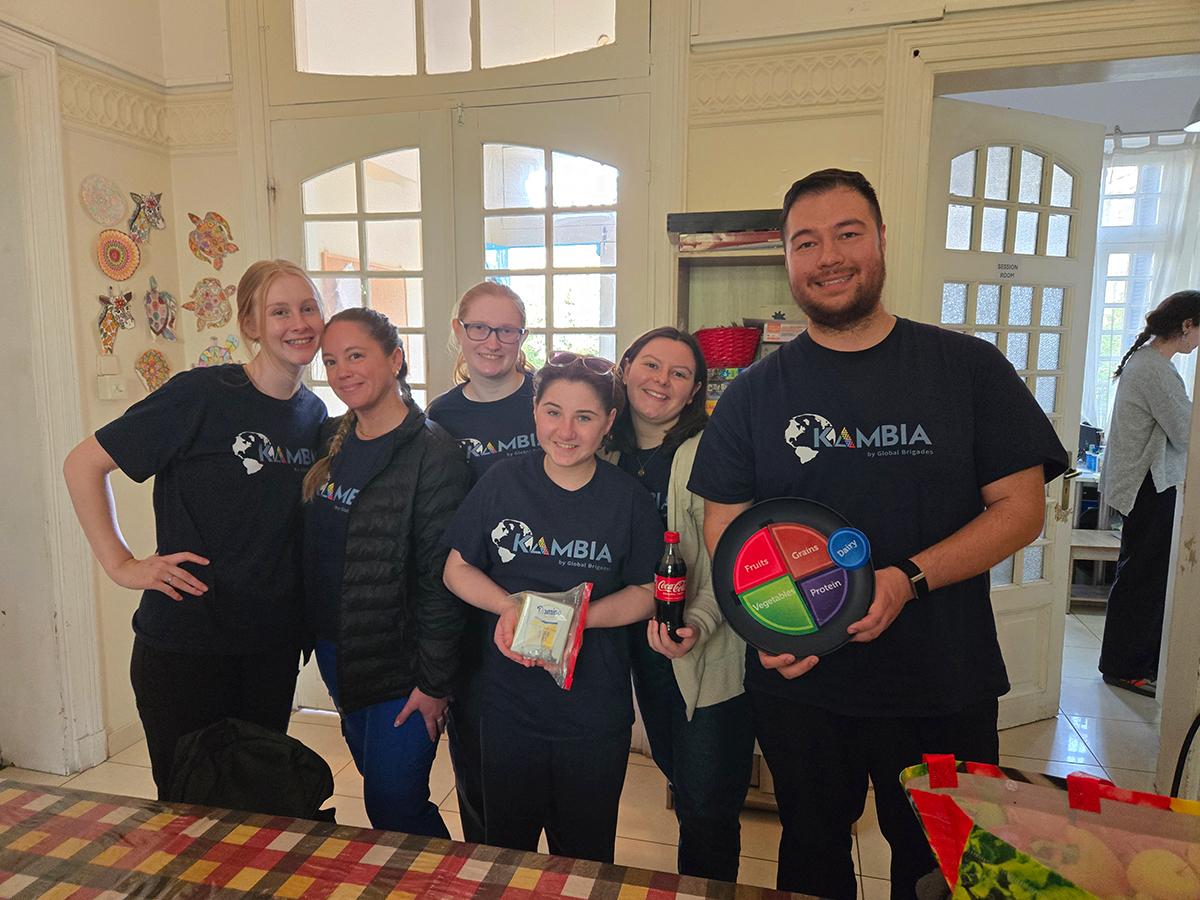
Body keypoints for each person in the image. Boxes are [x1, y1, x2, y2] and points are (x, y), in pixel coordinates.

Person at [688, 169, 1068, 900]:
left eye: (847, 233)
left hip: (941, 679)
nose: (828, 255)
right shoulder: (755, 394)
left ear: (882, 241)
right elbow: (725, 523)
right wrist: (770, 623)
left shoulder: (966, 368)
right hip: (805, 686)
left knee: (937, 869)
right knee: (811, 852)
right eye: (806, 242)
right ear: (788, 261)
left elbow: (1020, 509)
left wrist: (908, 578)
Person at [63, 259, 327, 796]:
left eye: (308, 308)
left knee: (259, 805)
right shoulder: (202, 395)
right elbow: (82, 464)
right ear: (251, 325)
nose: (297, 322)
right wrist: (121, 563)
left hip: (269, 651)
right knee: (191, 819)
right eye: (279, 311)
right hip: (186, 647)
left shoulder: (313, 413)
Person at [442, 353, 662, 863]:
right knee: (505, 853)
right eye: (552, 412)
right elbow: (456, 568)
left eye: (584, 417)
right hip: (507, 708)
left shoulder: (627, 499)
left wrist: (575, 620)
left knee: (583, 857)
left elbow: (649, 591)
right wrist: (509, 607)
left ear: (608, 423)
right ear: (535, 412)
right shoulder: (501, 482)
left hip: (593, 713)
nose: (566, 431)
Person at [302, 307, 471, 836]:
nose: (343, 371)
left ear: (395, 359)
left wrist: (435, 682)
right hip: (338, 652)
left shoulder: (434, 453)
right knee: (380, 790)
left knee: (394, 803)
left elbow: (441, 579)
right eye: (331, 361)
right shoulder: (329, 438)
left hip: (403, 665)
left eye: (357, 355)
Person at [606, 327, 753, 882]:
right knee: (677, 773)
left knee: (707, 806)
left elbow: (732, 561)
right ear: (625, 369)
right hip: (636, 649)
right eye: (650, 365)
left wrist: (698, 620)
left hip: (703, 655)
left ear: (695, 391)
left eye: (679, 373)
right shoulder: (606, 448)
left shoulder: (710, 453)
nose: (661, 381)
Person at [426, 281, 538, 842]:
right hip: (472, 608)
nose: (493, 342)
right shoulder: (439, 415)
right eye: (480, 328)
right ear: (458, 331)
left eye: (507, 330)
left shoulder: (550, 398)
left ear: (523, 336)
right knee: (480, 771)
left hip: (552, 596)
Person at [1098, 290, 1199, 698]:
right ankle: (1126, 666)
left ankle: (1131, 662)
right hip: (1150, 485)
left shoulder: (1149, 362)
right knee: (1144, 577)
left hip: (1146, 484)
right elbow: (1186, 430)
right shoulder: (1155, 368)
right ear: (1187, 325)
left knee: (1142, 574)